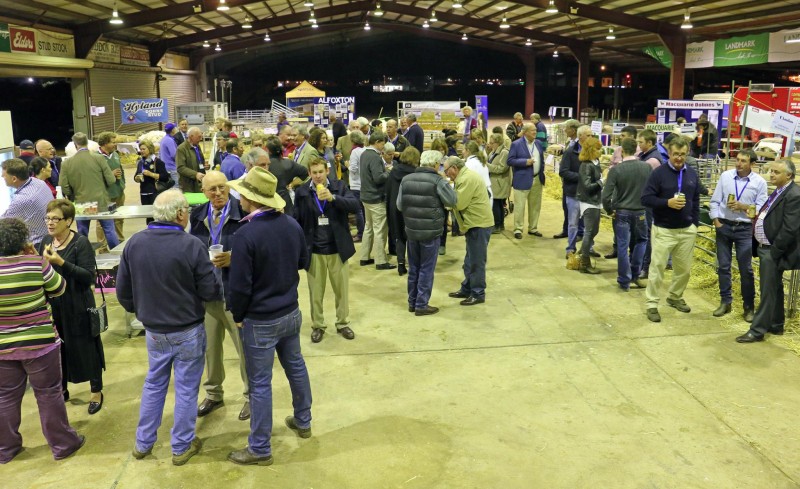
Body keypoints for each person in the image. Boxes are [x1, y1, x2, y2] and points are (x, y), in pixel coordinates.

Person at [116, 189, 220, 466]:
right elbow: (209, 290)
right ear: (180, 214)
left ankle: (143, 443)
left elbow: (123, 292)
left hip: (154, 330)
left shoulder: (134, 243)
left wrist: (142, 311)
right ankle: (181, 446)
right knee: (186, 388)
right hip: (187, 328)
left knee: (154, 383)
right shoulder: (192, 245)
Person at [226, 167, 313, 466]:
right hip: (290, 311)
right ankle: (303, 421)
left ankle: (260, 448)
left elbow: (239, 286)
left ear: (249, 200)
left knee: (260, 383)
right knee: (296, 367)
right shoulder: (291, 225)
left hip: (260, 320)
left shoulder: (245, 234)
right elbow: (304, 260)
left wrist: (237, 314)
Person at [0, 218, 85, 464]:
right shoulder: (36, 264)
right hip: (40, 344)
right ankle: (62, 444)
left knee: (5, 397)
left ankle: (6, 449)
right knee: (48, 394)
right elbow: (59, 289)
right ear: (22, 241)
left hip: (3, 347)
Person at [189, 171, 250, 421]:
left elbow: (256, 249)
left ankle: (251, 397)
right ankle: (214, 394)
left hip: (234, 295)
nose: (218, 193)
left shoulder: (243, 213)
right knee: (210, 350)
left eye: (222, 188)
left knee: (245, 350)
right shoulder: (198, 214)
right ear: (203, 192)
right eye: (212, 189)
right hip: (207, 295)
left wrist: (235, 258)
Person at [38, 199, 105, 414]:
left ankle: (96, 390)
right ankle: (63, 389)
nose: (50, 223)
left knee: (86, 348)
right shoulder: (46, 241)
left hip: (78, 305)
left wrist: (61, 263)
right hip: (55, 306)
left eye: (55, 219)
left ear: (68, 221)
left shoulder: (80, 243)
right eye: (47, 218)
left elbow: (87, 277)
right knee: (59, 349)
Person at [294, 158, 360, 343]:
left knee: (342, 291)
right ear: (309, 174)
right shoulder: (302, 192)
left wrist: (333, 198)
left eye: (320, 172)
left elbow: (355, 205)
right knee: (316, 293)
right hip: (315, 250)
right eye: (314, 173)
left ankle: (343, 323)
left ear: (327, 171)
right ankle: (318, 325)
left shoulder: (339, 186)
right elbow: (296, 219)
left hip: (338, 249)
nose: (317, 176)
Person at [736, 159, 800, 343]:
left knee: (767, 291)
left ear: (789, 175)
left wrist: (775, 251)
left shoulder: (794, 194)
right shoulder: (780, 191)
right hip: (767, 248)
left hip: (773, 251)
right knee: (775, 289)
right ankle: (776, 324)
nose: (771, 174)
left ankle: (757, 330)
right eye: (771, 171)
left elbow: (790, 228)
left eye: (776, 172)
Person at [641, 137, 700, 323]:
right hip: (664, 229)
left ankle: (675, 296)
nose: (679, 158)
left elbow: (696, 198)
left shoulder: (691, 173)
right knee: (657, 267)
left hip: (686, 231)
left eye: (683, 154)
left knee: (684, 270)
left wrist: (695, 223)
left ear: (687, 153)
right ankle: (651, 304)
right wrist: (667, 203)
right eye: (676, 154)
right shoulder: (658, 173)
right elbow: (646, 199)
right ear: (669, 153)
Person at [709, 148, 768, 320]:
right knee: (723, 266)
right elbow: (715, 201)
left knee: (746, 269)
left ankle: (748, 307)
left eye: (743, 161)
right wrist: (716, 221)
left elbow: (761, 211)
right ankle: (725, 302)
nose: (739, 163)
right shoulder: (726, 177)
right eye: (738, 159)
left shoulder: (759, 183)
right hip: (724, 227)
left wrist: (743, 207)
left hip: (745, 230)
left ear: (752, 164)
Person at [397, 150, 457, 315]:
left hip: (412, 231)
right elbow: (452, 201)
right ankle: (422, 304)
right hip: (431, 232)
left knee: (414, 267)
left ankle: (412, 302)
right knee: (426, 269)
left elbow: (400, 205)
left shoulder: (406, 180)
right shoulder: (438, 181)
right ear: (436, 164)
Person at [601, 138, 652, 290]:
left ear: (622, 151)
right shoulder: (646, 167)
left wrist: (610, 211)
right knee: (641, 241)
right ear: (636, 150)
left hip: (622, 212)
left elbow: (605, 196)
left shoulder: (616, 170)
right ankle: (635, 275)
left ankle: (624, 280)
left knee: (622, 245)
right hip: (641, 211)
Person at [444, 157, 493, 305]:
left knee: (476, 261)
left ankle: (478, 293)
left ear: (454, 168)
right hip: (474, 224)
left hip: (479, 224)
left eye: (447, 171)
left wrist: (445, 199)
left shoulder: (466, 179)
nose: (447, 174)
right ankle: (467, 288)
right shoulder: (464, 177)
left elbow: (458, 203)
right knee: (469, 260)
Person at [59, 132, 119, 250]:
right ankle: (117, 258)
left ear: (75, 145)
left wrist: (72, 195)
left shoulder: (67, 163)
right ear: (87, 143)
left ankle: (84, 256)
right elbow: (111, 180)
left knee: (82, 233)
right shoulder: (99, 158)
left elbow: (63, 186)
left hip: (82, 204)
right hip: (101, 202)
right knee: (109, 231)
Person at [359, 131, 396, 270]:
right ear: (378, 142)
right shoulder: (374, 156)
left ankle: (364, 256)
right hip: (375, 198)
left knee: (368, 228)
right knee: (380, 229)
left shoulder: (364, 154)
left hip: (366, 197)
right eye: (383, 143)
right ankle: (381, 261)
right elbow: (378, 178)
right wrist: (389, 171)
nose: (383, 146)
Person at [2, 158, 53, 247]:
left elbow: (3, 223)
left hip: (38, 245)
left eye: (4, 176)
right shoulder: (39, 182)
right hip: (50, 236)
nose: (2, 177)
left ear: (14, 179)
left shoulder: (22, 200)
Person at [507, 122, 545, 240]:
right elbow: (510, 161)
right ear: (525, 132)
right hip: (522, 179)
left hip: (537, 179)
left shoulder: (538, 143)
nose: (535, 132)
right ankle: (518, 229)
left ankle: (533, 228)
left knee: (535, 206)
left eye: (535, 130)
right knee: (520, 206)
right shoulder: (516, 144)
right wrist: (525, 162)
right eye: (532, 130)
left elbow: (542, 160)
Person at [386, 147, 420, 277]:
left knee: (399, 236)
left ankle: (400, 264)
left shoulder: (394, 171)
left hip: (395, 207)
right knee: (411, 236)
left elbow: (388, 190)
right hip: (411, 208)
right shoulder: (416, 173)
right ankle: (412, 264)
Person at [576, 137, 604, 274]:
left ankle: (583, 251)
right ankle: (584, 262)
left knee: (594, 230)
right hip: (588, 201)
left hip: (595, 201)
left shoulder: (595, 162)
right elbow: (587, 186)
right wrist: (602, 181)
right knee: (589, 231)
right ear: (592, 150)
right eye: (598, 149)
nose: (601, 151)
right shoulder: (586, 165)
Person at [265, 135, 309, 217]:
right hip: (286, 204)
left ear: (268, 150)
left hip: (267, 204)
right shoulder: (288, 163)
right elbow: (305, 172)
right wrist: (291, 183)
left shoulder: (263, 166)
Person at [96, 132, 126, 250]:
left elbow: (121, 170)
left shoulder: (115, 154)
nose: (115, 144)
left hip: (118, 192)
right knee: (102, 221)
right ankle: (102, 247)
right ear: (105, 143)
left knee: (119, 219)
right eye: (113, 142)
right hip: (104, 195)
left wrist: (123, 185)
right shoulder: (95, 157)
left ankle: (120, 243)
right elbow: (93, 177)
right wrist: (110, 175)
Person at [554, 119, 582, 240]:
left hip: (576, 182)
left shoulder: (581, 145)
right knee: (566, 207)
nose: (565, 130)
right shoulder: (568, 142)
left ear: (574, 130)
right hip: (567, 182)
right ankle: (566, 230)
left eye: (567, 128)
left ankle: (579, 233)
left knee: (577, 210)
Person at [133, 140, 170, 222]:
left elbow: (165, 177)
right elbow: (135, 177)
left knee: (157, 216)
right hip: (144, 193)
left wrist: (151, 174)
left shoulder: (158, 162)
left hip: (155, 192)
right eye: (140, 149)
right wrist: (137, 178)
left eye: (144, 149)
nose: (141, 151)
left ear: (150, 149)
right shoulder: (140, 162)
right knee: (148, 217)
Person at [486, 133, 511, 234]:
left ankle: (497, 225)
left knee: (496, 204)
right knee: (499, 204)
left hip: (500, 182)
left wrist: (487, 165)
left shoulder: (504, 153)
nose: (490, 145)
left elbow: (502, 168)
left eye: (492, 143)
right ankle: (500, 225)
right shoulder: (493, 152)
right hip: (494, 182)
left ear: (498, 142)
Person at [347, 130, 367, 242]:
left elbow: (353, 168)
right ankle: (364, 232)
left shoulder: (355, 152)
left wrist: (347, 165)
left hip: (355, 185)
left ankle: (360, 234)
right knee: (363, 211)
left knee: (358, 211)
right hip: (364, 184)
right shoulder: (365, 150)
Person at [176, 127, 207, 193]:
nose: (200, 139)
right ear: (191, 137)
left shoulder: (197, 146)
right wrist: (195, 174)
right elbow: (180, 168)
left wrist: (204, 166)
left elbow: (199, 161)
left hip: (200, 183)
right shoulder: (181, 149)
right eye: (199, 137)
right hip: (188, 186)